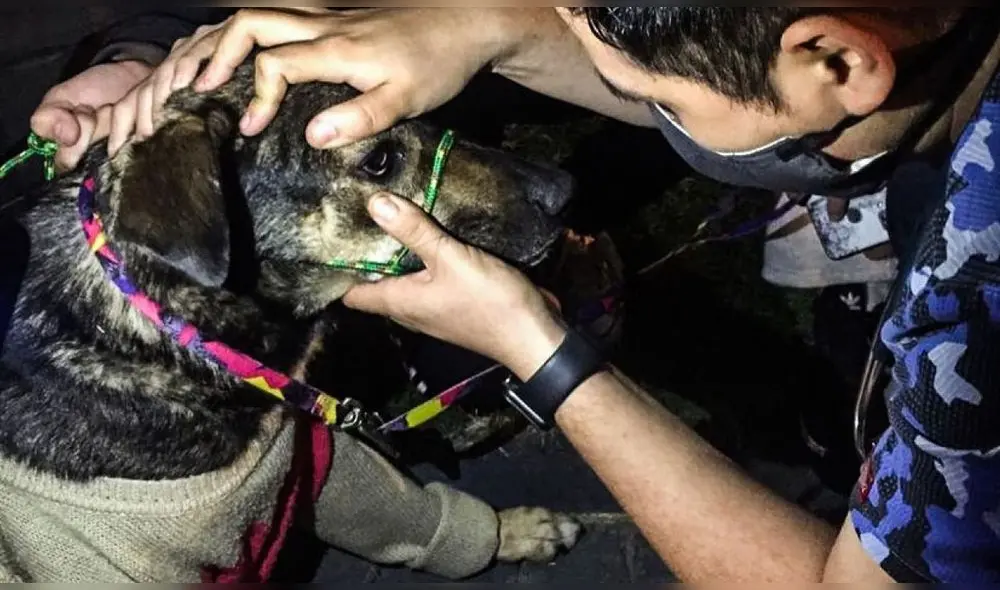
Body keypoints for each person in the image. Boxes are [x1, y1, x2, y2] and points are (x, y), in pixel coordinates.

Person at [30, 6, 1000, 583]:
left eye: (653, 95)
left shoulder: (969, 319)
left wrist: (542, 352)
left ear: (839, 59)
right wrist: (490, 24)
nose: (638, 109)